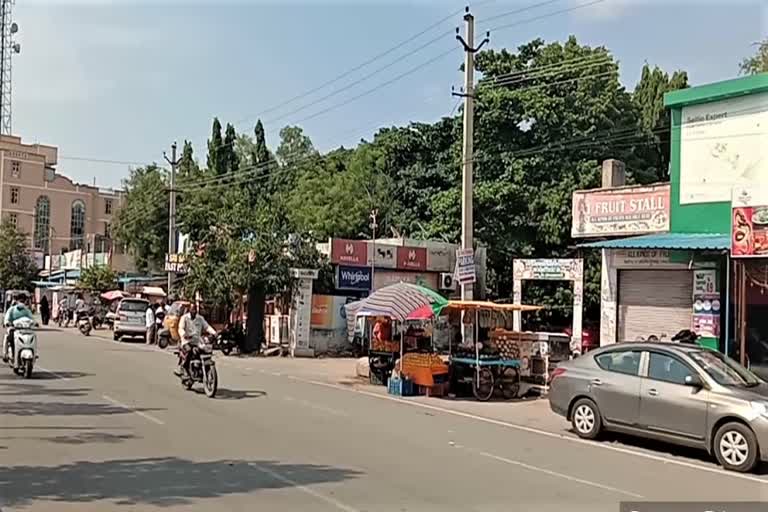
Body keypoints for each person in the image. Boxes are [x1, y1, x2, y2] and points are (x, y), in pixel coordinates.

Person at [176, 304, 216, 378]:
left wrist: (214, 333)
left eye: (195, 310)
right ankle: (185, 367)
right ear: (189, 310)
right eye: (192, 310)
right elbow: (180, 328)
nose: (194, 311)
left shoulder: (200, 318)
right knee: (189, 350)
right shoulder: (184, 318)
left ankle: (201, 368)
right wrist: (184, 334)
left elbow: (207, 327)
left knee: (205, 350)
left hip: (197, 341)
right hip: (187, 341)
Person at [3, 295, 33, 364]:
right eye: (20, 301)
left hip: (25, 329)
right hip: (13, 328)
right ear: (17, 301)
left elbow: (31, 318)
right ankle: (6, 354)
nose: (21, 302)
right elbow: (7, 318)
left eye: (23, 301)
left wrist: (34, 323)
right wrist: (7, 323)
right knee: (8, 338)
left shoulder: (26, 310)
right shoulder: (12, 309)